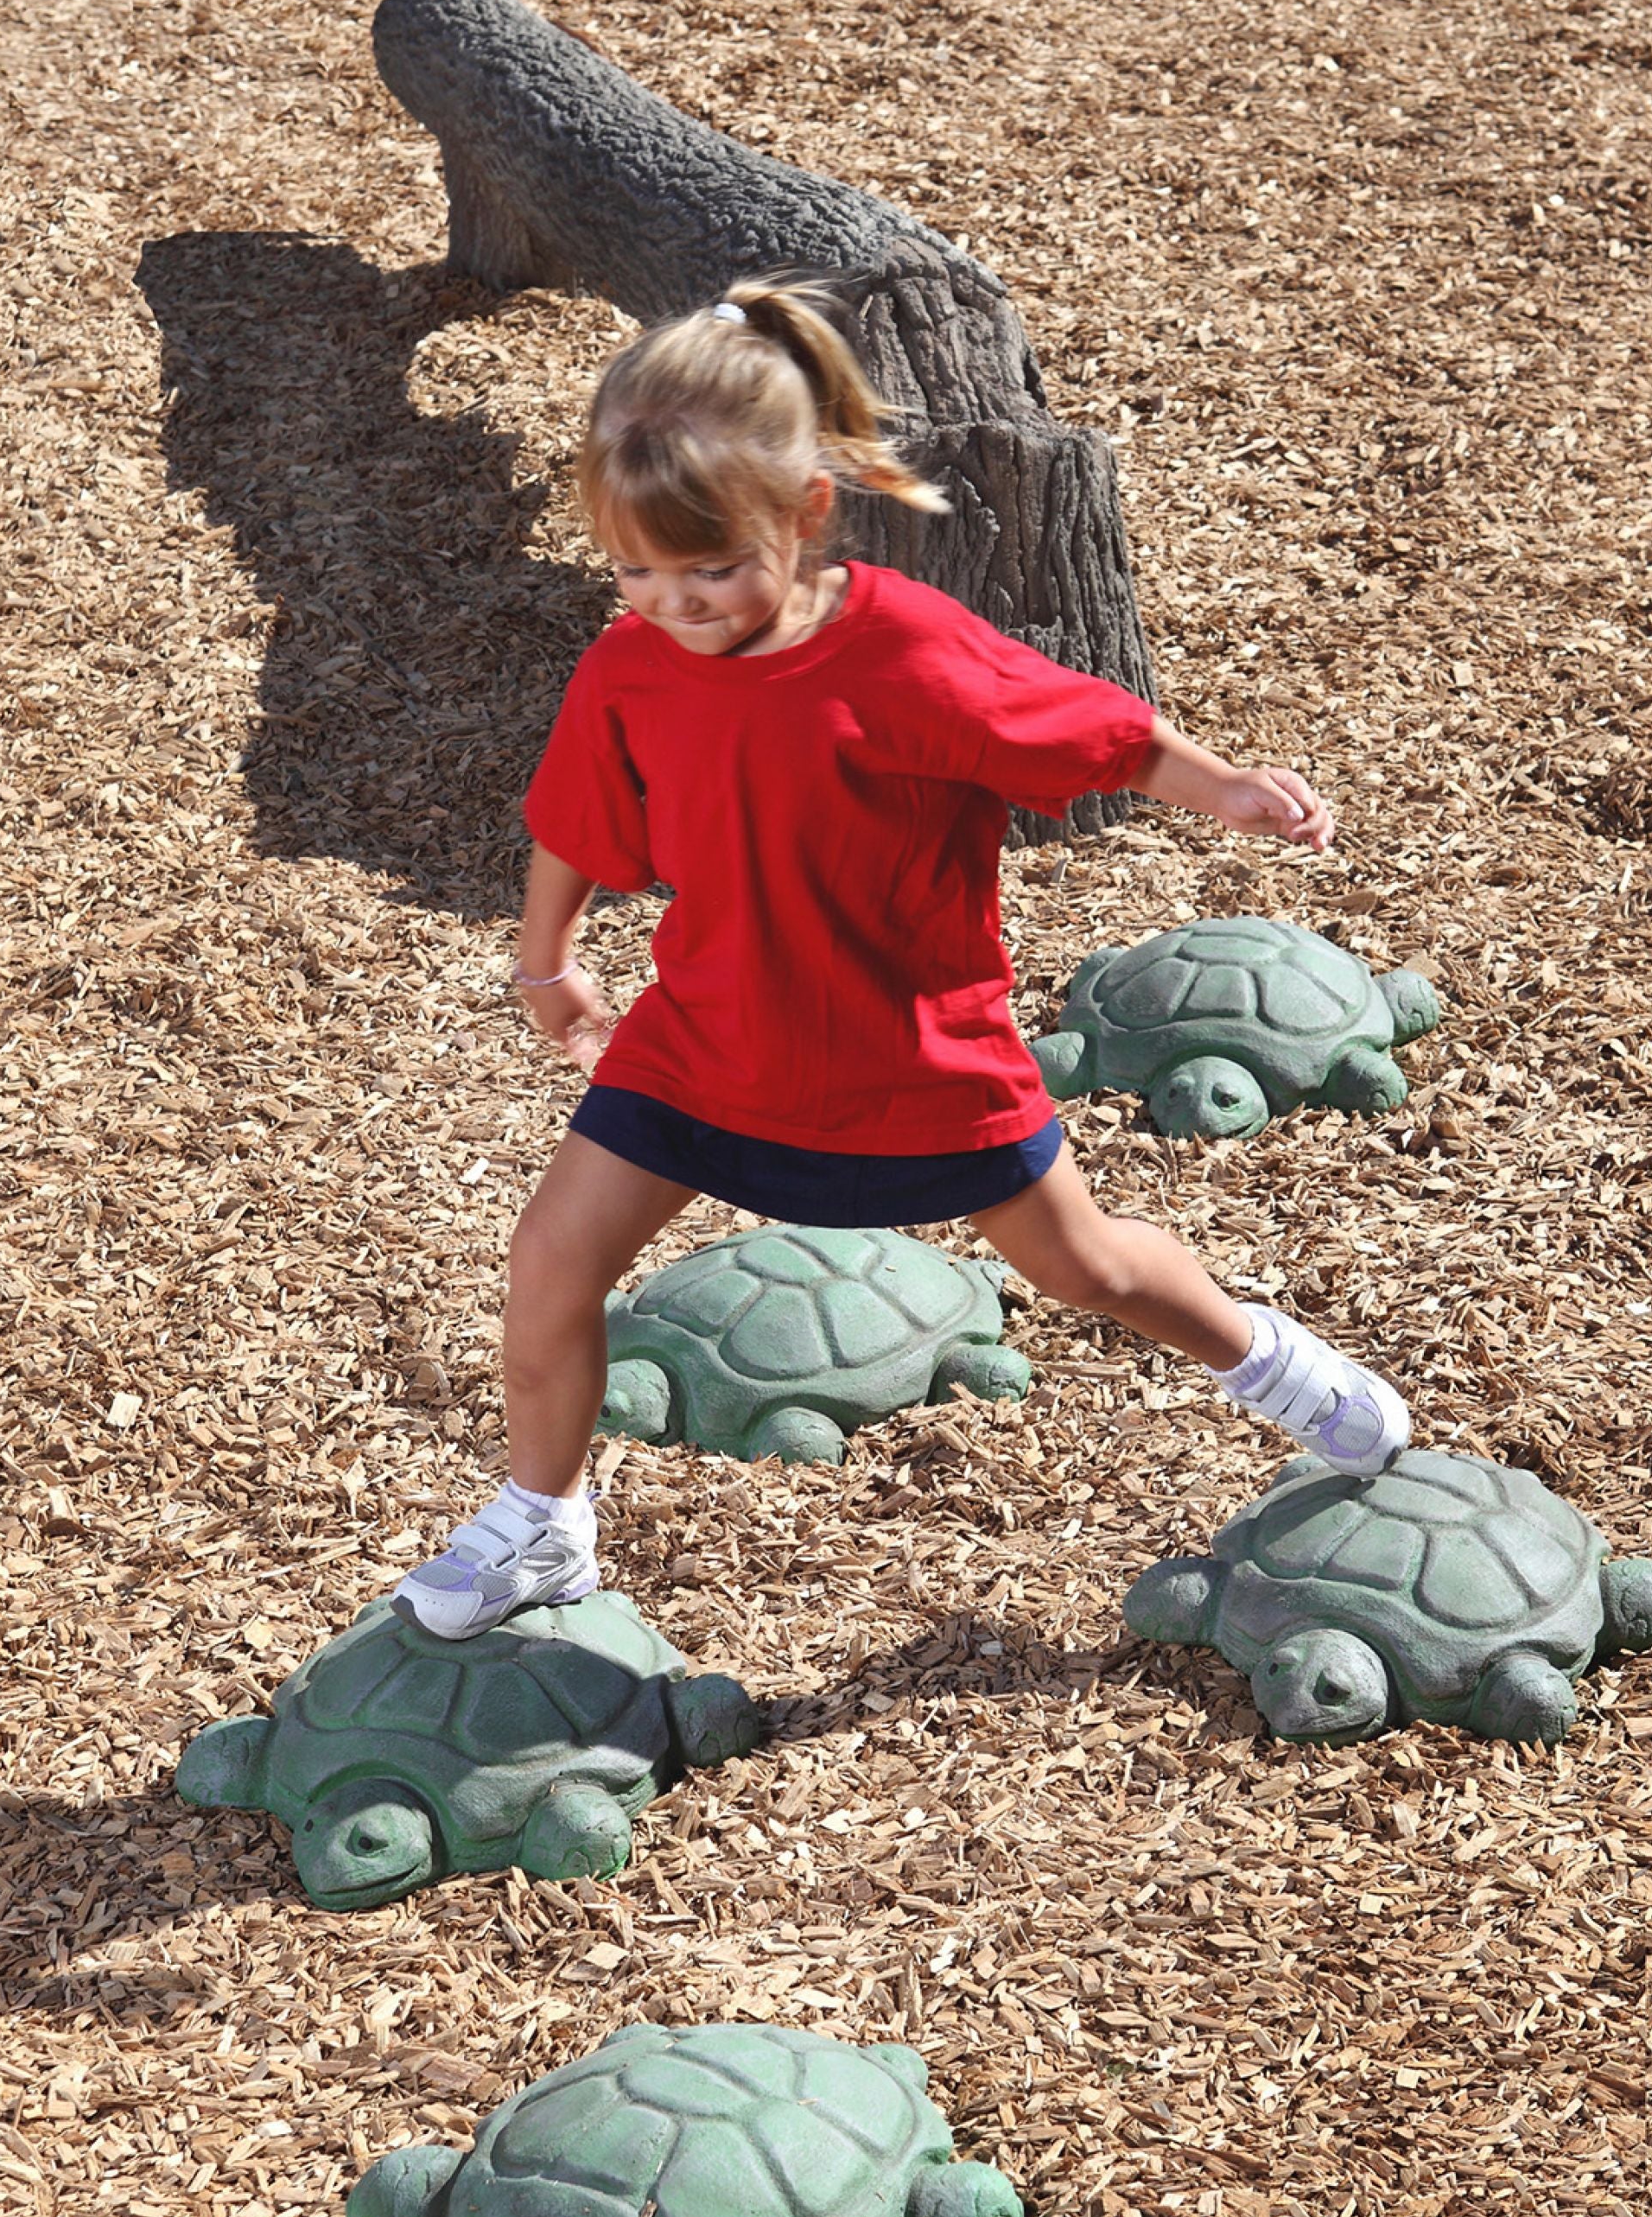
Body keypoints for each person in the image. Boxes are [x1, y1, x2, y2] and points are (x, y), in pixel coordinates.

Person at [395, 278, 1410, 1638]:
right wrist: (547, 962)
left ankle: (1273, 1366)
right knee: (548, 1266)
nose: (676, 604)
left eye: (712, 571)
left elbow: (1087, 728)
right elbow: (575, 816)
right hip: (707, 1037)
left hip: (912, 1054)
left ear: (807, 512)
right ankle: (541, 1526)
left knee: (1088, 1268)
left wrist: (1224, 787)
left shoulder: (907, 654)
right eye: (637, 572)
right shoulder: (631, 663)